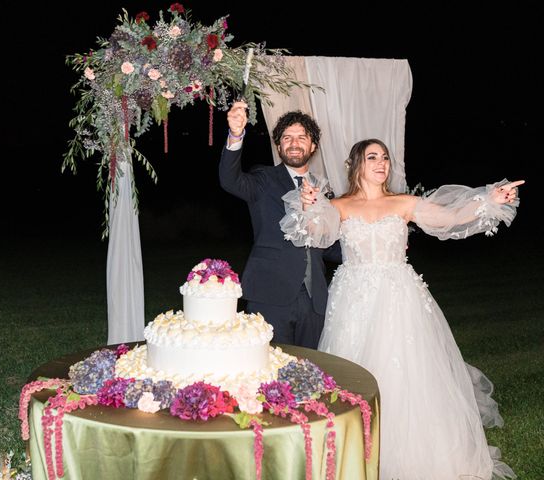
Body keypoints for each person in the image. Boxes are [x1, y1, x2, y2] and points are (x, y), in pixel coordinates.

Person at [280, 138, 522, 479]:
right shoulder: (340, 206)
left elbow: (451, 216)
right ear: (355, 165)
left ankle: (418, 457)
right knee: (355, 372)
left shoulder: (403, 203)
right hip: (354, 301)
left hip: (399, 298)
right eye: (372, 157)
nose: (382, 163)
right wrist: (308, 207)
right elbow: (316, 232)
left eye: (385, 158)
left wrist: (489, 199)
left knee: (408, 373)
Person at [219, 102, 341, 348]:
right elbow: (230, 180)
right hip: (269, 294)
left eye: (301, 137)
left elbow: (327, 247)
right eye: (287, 138)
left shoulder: (326, 191)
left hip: (315, 300)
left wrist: (370, 248)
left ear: (313, 146)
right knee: (269, 370)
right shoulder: (263, 180)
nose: (294, 143)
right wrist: (235, 135)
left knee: (311, 371)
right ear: (279, 145)